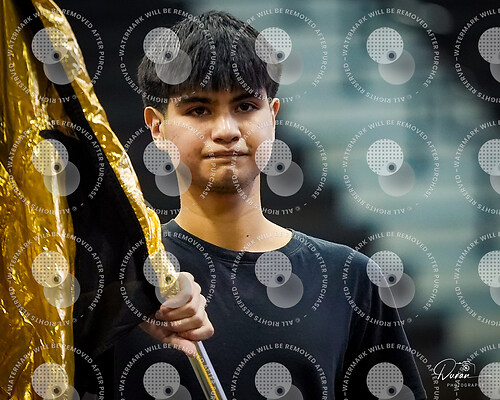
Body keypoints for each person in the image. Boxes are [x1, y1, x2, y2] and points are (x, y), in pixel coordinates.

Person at [114, 11, 427, 399]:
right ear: (157, 127)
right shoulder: (126, 283)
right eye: (199, 110)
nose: (226, 130)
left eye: (245, 106)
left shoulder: (351, 279)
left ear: (273, 117)